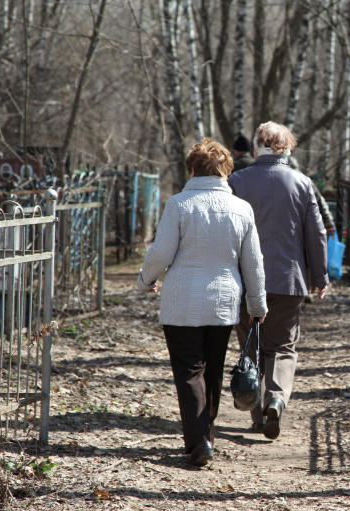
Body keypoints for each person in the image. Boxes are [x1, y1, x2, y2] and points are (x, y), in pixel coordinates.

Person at [137, 138, 267, 466]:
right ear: (225, 169)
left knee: (189, 371)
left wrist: (146, 279)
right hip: (223, 303)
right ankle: (206, 436)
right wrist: (258, 305)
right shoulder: (241, 209)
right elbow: (254, 262)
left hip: (182, 302)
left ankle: (198, 443)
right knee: (213, 371)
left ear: (192, 169)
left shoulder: (179, 205)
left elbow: (161, 252)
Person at [229, 121, 328, 440]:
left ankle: (258, 416)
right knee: (283, 346)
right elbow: (317, 232)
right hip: (288, 279)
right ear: (287, 148)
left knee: (251, 343)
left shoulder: (237, 181)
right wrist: (320, 275)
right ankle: (276, 398)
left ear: (257, 147)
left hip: (244, 280)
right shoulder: (302, 183)